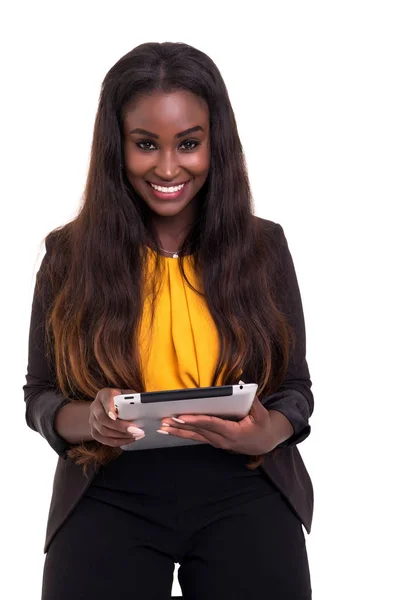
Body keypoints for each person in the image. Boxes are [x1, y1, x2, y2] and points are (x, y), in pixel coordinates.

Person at [23, 41, 314, 600]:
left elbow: (296, 390)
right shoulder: (68, 256)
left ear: (214, 143)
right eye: (144, 144)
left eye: (188, 144)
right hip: (109, 487)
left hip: (246, 483)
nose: (167, 167)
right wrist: (93, 420)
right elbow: (40, 396)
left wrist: (269, 430)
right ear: (117, 147)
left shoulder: (264, 247)